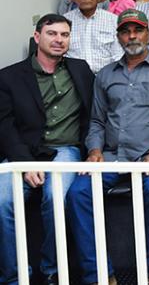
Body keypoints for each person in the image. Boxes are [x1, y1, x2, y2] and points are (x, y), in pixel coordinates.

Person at [66, 9, 149, 285]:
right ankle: (99, 274)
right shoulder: (105, 75)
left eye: (137, 30)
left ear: (148, 35)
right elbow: (96, 120)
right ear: (118, 37)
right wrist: (94, 151)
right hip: (112, 156)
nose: (132, 36)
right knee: (77, 194)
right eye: (126, 31)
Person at [0, 14, 94, 285]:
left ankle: (53, 271)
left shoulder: (81, 70)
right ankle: (15, 277)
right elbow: (4, 126)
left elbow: (93, 114)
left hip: (65, 149)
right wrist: (25, 161)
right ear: (37, 37)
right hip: (23, 151)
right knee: (3, 201)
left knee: (56, 198)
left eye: (64, 35)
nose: (59, 40)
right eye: (52, 33)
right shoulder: (9, 77)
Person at [60, 0, 122, 73]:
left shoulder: (113, 21)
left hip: (105, 77)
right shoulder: (65, 21)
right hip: (73, 78)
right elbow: (61, 53)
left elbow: (118, 56)